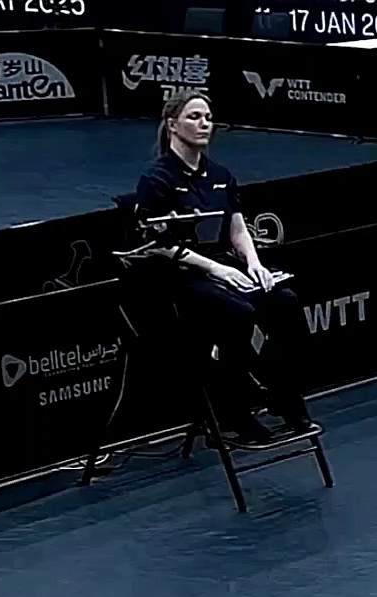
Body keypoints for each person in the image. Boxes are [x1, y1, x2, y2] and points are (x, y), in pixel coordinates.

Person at [133, 91, 314, 446]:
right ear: (172, 125)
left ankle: (283, 395)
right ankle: (233, 412)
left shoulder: (220, 174)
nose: (204, 124)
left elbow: (237, 227)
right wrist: (215, 269)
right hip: (181, 274)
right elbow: (157, 243)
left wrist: (254, 264)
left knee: (286, 302)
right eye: (194, 117)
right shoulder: (157, 178)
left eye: (208, 117)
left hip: (226, 266)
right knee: (238, 313)